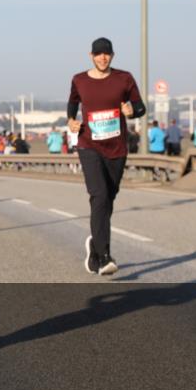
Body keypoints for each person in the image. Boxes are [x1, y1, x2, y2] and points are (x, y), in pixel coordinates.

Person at [67, 37, 146, 276]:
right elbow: (72, 104)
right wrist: (71, 121)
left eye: (107, 54)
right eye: (98, 54)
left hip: (117, 148)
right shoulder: (79, 80)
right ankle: (103, 257)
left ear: (112, 56)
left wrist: (132, 111)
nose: (103, 57)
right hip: (89, 145)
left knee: (108, 199)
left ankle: (94, 244)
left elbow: (140, 106)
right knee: (99, 195)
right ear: (91, 55)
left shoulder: (124, 78)